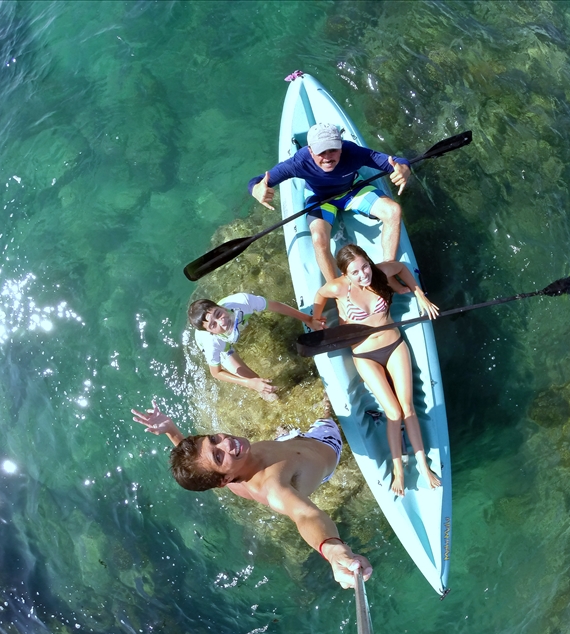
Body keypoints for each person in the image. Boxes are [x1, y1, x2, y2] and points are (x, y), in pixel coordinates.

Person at [130, 399, 372, 589]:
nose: (227, 443)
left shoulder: (227, 475)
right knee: (331, 417)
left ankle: (286, 434)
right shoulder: (273, 487)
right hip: (326, 445)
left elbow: (200, 464)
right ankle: (326, 417)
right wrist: (331, 549)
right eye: (218, 456)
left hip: (289, 443)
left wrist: (172, 432)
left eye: (214, 439)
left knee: (283, 436)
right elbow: (305, 516)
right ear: (224, 480)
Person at [312, 244, 442, 497]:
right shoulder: (339, 288)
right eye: (356, 272)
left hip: (394, 346)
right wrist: (315, 318)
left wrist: (420, 295)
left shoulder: (379, 272)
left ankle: (424, 467)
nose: (364, 274)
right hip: (364, 355)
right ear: (346, 275)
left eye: (365, 267)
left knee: (408, 407)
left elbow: (402, 268)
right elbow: (320, 294)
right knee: (393, 412)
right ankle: (399, 470)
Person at [248, 122, 412, 283]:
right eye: (321, 152)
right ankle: (337, 290)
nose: (327, 157)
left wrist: (404, 169)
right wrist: (256, 190)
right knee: (319, 238)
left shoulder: (352, 152)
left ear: (341, 145)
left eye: (333, 149)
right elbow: (257, 181)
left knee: (394, 211)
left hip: (352, 191)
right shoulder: (299, 163)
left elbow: (396, 162)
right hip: (320, 199)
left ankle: (387, 270)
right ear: (310, 150)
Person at [189, 293, 325, 402]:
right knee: (260, 384)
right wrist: (249, 383)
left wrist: (308, 319)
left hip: (237, 318)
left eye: (218, 314)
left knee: (249, 329)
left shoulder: (242, 302)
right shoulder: (212, 343)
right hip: (224, 346)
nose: (222, 322)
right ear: (211, 332)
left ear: (221, 307)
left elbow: (275, 306)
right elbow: (216, 373)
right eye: (213, 325)